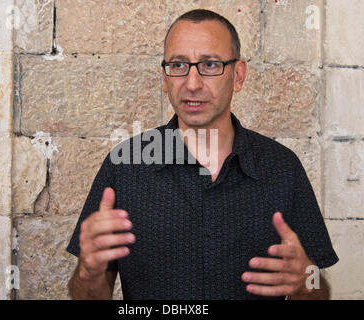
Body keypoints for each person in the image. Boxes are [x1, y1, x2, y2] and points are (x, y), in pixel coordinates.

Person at [66, 9, 338, 300]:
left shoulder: (282, 168)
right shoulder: (125, 166)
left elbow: (318, 291)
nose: (192, 83)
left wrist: (306, 281)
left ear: (239, 75)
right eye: (179, 65)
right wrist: (87, 272)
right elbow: (87, 294)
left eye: (210, 64)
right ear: (164, 77)